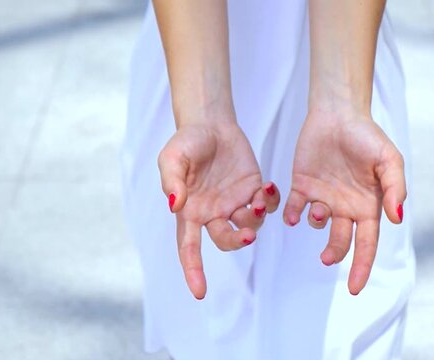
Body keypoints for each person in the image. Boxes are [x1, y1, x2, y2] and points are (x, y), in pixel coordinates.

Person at [121, 0, 415, 358]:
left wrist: (343, 103)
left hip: (347, 47)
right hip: (191, 48)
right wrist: (202, 111)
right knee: (198, 332)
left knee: (349, 329)